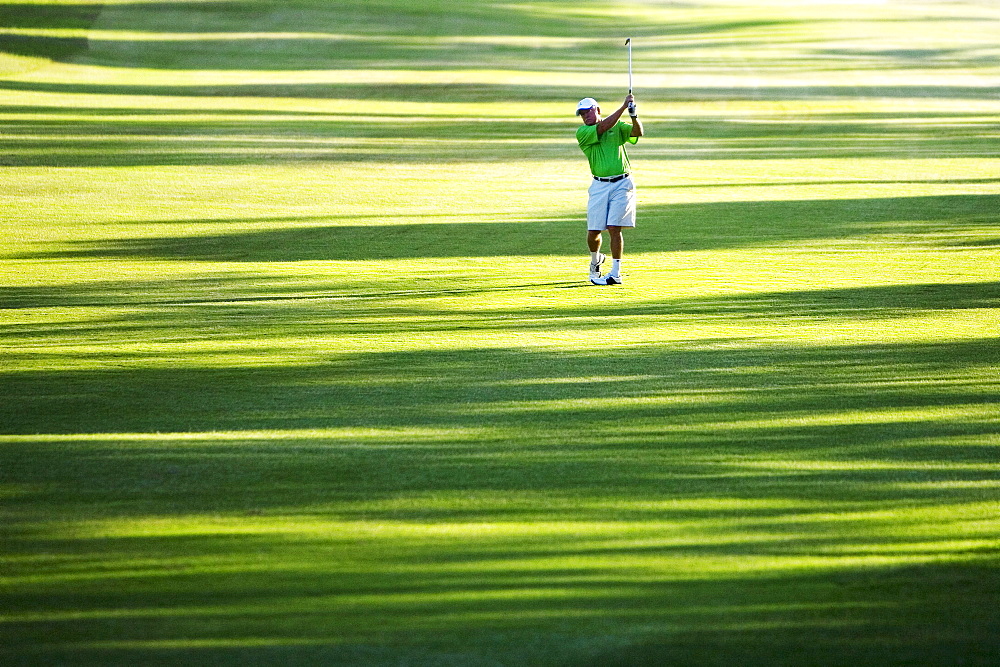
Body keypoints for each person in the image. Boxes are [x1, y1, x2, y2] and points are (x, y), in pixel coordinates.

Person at [575, 95, 643, 285]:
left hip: (622, 183)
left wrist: (634, 115)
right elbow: (603, 127)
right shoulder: (583, 132)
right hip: (599, 185)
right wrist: (623, 107)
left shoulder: (618, 126)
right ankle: (595, 261)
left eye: (587, 111)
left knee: (614, 228)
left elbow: (637, 133)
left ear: (597, 109)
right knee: (594, 231)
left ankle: (615, 273)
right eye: (582, 114)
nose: (585, 116)